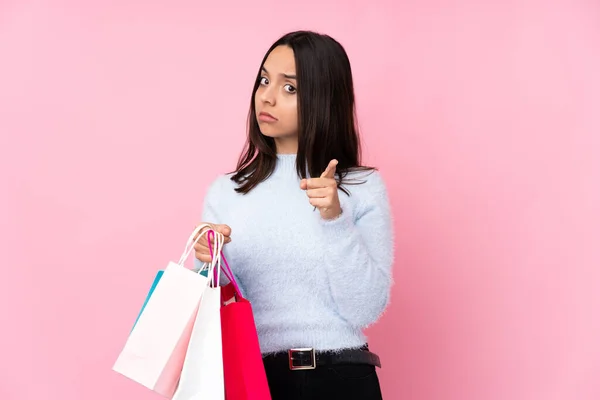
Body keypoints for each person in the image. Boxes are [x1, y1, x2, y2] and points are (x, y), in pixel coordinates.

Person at [193, 30, 394, 400]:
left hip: (340, 379)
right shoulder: (228, 191)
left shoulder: (360, 186)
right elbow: (212, 310)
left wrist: (335, 219)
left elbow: (366, 308)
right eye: (264, 80)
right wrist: (209, 262)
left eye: (290, 89)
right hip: (253, 380)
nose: (267, 97)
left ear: (323, 99)